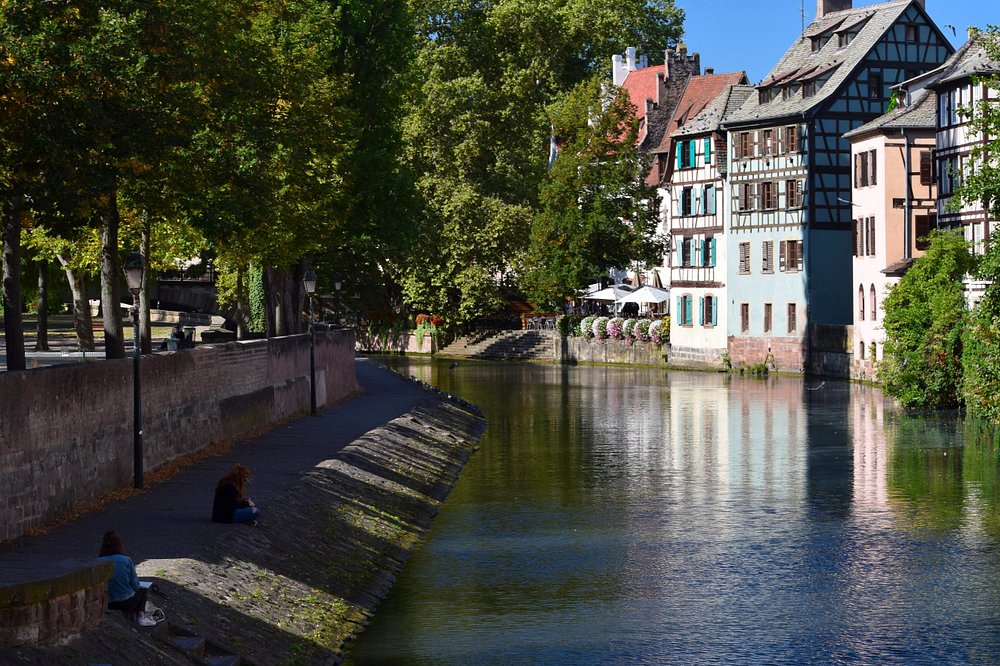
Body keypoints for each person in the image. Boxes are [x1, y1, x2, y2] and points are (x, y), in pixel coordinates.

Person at [98, 531, 156, 627]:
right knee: (142, 591)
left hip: (108, 603)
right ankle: (141, 616)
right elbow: (136, 586)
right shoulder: (125, 560)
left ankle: (135, 614)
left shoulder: (98, 561)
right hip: (125, 602)